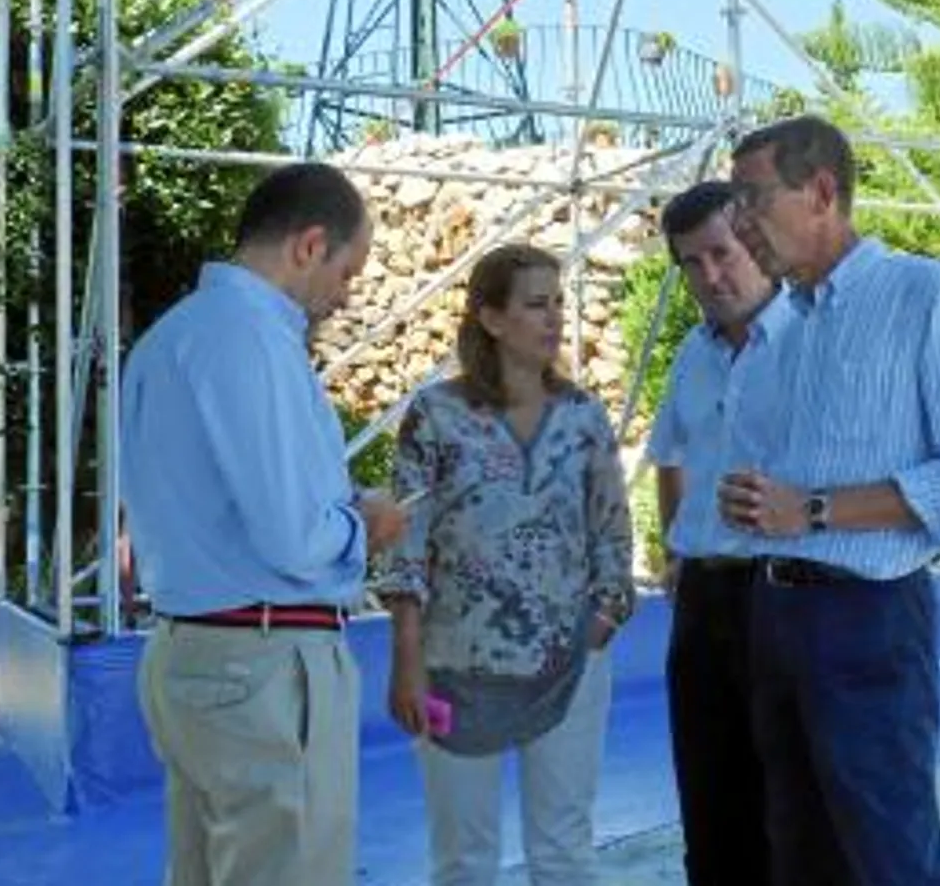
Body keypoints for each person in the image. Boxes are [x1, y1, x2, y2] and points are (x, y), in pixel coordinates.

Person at [716, 114, 940, 886]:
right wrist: (753, 504)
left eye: (752, 199)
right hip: (773, 615)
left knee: (887, 854)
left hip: (870, 618)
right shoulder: (782, 329)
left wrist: (811, 509)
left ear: (820, 192)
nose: (740, 222)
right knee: (798, 851)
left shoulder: (924, 294)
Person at [120, 161, 408, 886]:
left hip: (197, 651)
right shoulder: (251, 338)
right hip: (265, 660)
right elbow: (293, 536)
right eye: (347, 271)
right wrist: (362, 524)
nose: (344, 297)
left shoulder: (171, 337)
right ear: (309, 245)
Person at [372, 243, 637, 886]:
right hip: (453, 672)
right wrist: (408, 656)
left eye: (559, 305)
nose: (554, 320)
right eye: (536, 305)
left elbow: (612, 532)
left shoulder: (582, 417)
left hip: (570, 666)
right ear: (491, 318)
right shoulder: (435, 416)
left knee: (564, 851)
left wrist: (600, 621)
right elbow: (405, 543)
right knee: (463, 858)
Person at [644, 181, 794, 886]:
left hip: (788, 595)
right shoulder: (691, 357)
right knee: (709, 798)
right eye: (691, 262)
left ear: (754, 242)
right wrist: (677, 551)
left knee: (794, 801)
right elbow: (668, 454)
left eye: (721, 252)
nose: (711, 275)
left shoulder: (811, 341)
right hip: (704, 601)